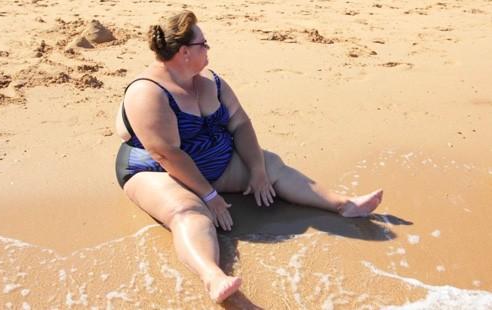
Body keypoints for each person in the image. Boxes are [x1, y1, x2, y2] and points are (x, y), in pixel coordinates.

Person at [115, 10, 383, 303]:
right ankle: (213, 277)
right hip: (157, 171)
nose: (208, 49)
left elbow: (240, 122)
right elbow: (167, 154)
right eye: (203, 44)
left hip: (212, 160)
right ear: (184, 52)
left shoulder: (210, 81)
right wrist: (209, 196)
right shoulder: (147, 93)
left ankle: (344, 205)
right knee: (188, 212)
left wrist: (256, 171)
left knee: (272, 166)